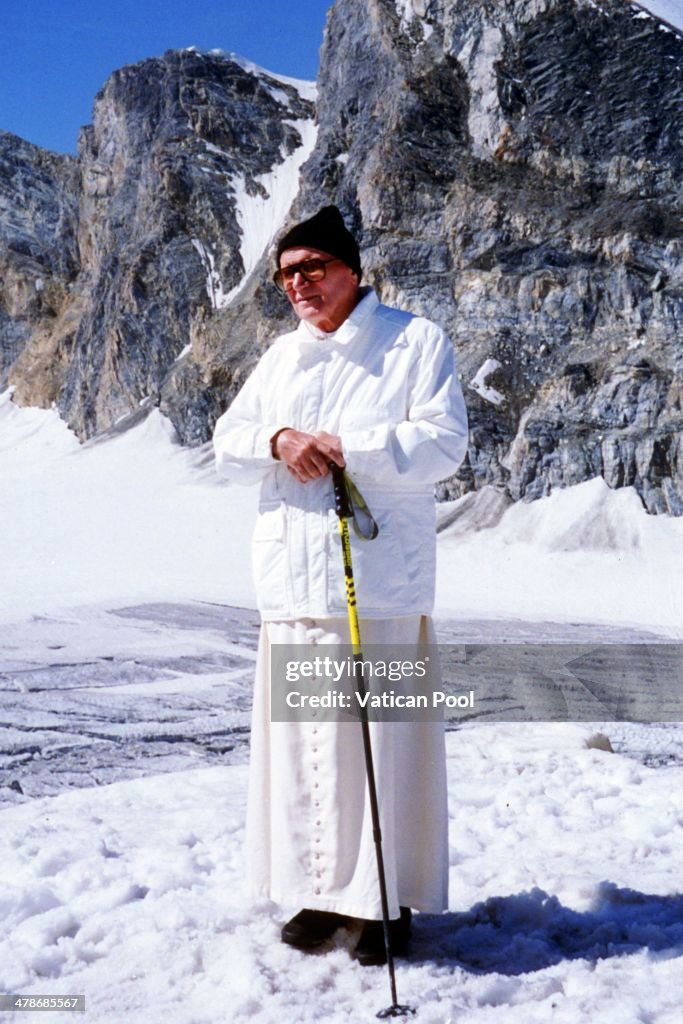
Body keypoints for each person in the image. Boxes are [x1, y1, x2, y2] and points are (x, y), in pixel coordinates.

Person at [213, 205, 468, 965]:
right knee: (302, 750)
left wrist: (347, 446)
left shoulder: (413, 341)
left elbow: (443, 445)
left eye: (312, 268)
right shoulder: (279, 357)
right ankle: (321, 894)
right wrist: (277, 438)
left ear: (351, 269)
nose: (299, 284)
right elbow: (226, 439)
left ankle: (386, 904)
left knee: (378, 747)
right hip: (294, 582)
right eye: (287, 273)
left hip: (377, 582)